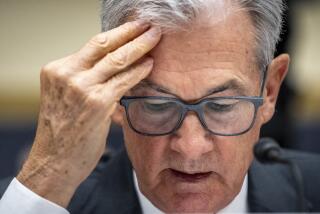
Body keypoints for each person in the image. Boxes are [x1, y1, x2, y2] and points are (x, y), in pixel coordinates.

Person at [0, 0, 319, 213]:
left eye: (221, 105)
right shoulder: (32, 201)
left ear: (270, 91)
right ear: (114, 96)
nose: (190, 148)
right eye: (156, 105)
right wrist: (47, 177)